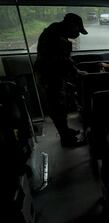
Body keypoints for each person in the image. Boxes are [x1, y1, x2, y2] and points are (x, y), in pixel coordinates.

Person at [34, 13, 88, 147]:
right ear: (71, 25)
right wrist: (76, 71)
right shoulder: (54, 37)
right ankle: (66, 140)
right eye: (77, 30)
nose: (78, 34)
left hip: (54, 74)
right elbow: (60, 59)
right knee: (57, 107)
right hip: (50, 76)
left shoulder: (57, 32)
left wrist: (74, 71)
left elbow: (63, 58)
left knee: (60, 105)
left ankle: (65, 131)